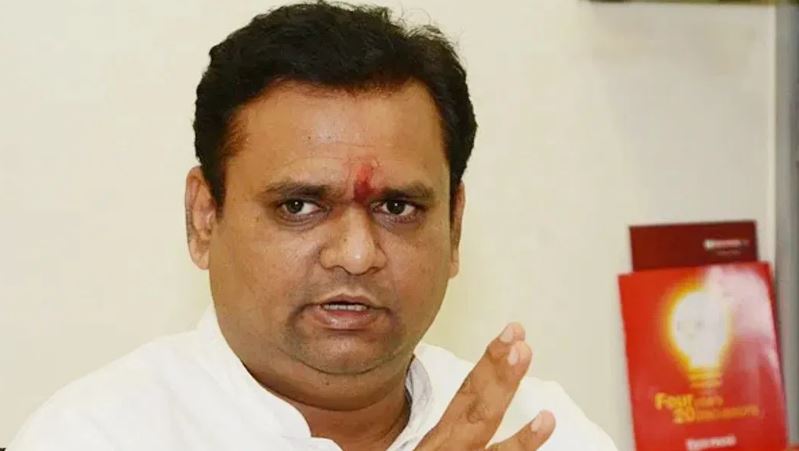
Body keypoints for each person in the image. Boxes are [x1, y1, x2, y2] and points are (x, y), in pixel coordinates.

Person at [8, 2, 617, 450]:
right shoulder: (93, 436)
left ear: (455, 227)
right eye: (299, 206)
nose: (356, 254)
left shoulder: (541, 431)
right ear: (204, 218)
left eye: (397, 207)